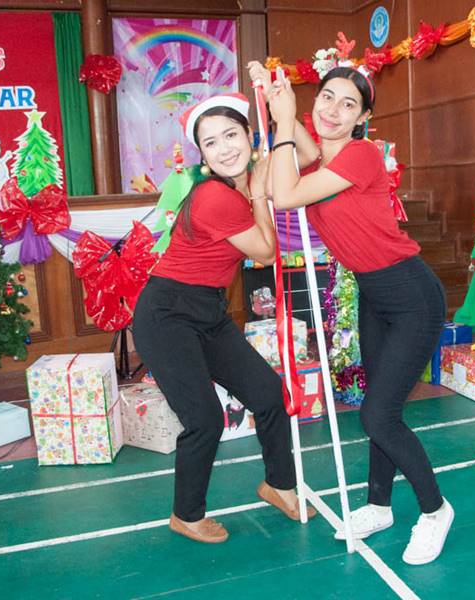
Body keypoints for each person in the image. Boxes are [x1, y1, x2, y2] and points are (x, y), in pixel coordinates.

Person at [257, 63, 453, 565]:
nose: (333, 110)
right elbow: (300, 152)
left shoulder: (362, 156)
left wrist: (283, 121)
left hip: (411, 296)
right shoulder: (323, 158)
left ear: (363, 117)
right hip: (373, 293)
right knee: (380, 411)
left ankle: (435, 511)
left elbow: (286, 194)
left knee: (377, 416)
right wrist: (277, 97)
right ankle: (379, 506)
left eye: (348, 104)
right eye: (327, 97)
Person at [132, 93, 316, 545]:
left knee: (269, 396)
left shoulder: (244, 179)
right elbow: (266, 252)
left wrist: (283, 111)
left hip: (208, 311)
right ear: (203, 154)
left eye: (231, 135)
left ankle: (279, 485)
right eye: (211, 143)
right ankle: (186, 514)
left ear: (249, 136)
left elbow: (308, 156)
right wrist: (259, 193)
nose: (224, 148)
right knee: (205, 420)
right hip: (167, 313)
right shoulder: (216, 195)